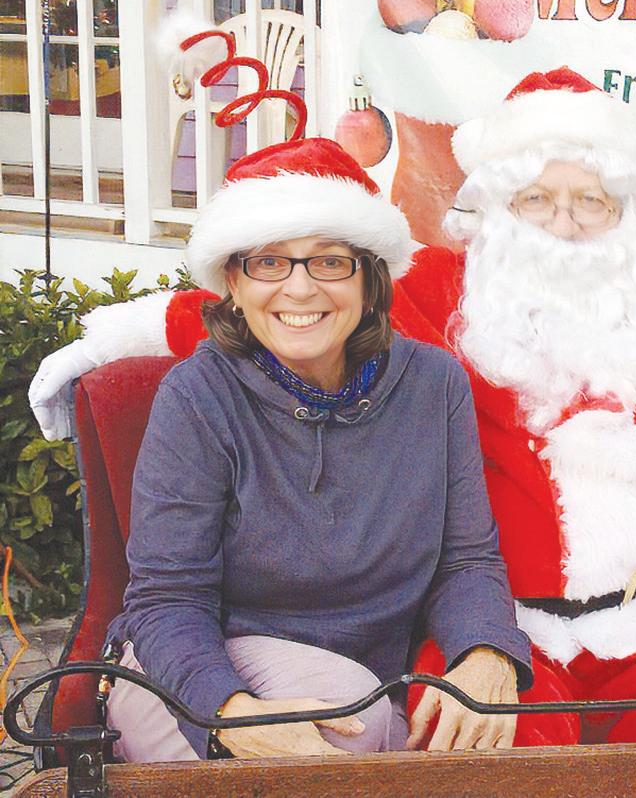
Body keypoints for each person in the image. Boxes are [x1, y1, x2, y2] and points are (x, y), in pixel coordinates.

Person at [31, 68, 636, 746]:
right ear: (495, 208)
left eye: (591, 201)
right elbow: (287, 306)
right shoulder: (436, 303)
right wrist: (108, 338)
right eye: (536, 200)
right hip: (514, 627)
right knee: (481, 747)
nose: (565, 225)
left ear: (625, 213)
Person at [98, 136, 532, 762]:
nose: (299, 289)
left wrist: (488, 652)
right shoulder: (197, 396)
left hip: (369, 683)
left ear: (370, 280)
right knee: (347, 717)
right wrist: (228, 714)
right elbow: (168, 598)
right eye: (269, 262)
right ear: (233, 283)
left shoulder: (434, 384)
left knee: (438, 730)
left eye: (329, 262)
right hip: (195, 674)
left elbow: (465, 559)